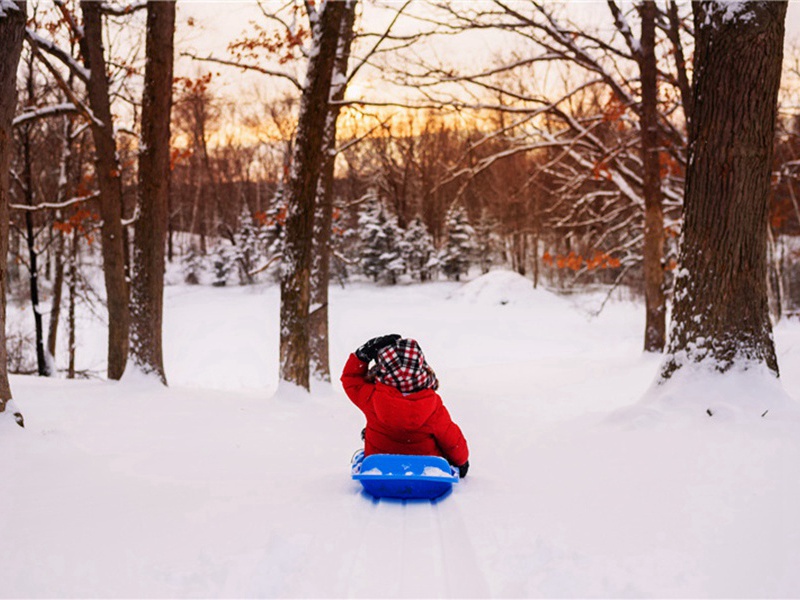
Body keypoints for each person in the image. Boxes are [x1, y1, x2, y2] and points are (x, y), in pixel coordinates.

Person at [341, 334, 470, 477]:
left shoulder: (371, 397)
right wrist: (461, 461)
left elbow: (351, 380)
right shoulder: (432, 404)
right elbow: (450, 436)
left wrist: (362, 355)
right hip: (425, 470)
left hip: (379, 468)